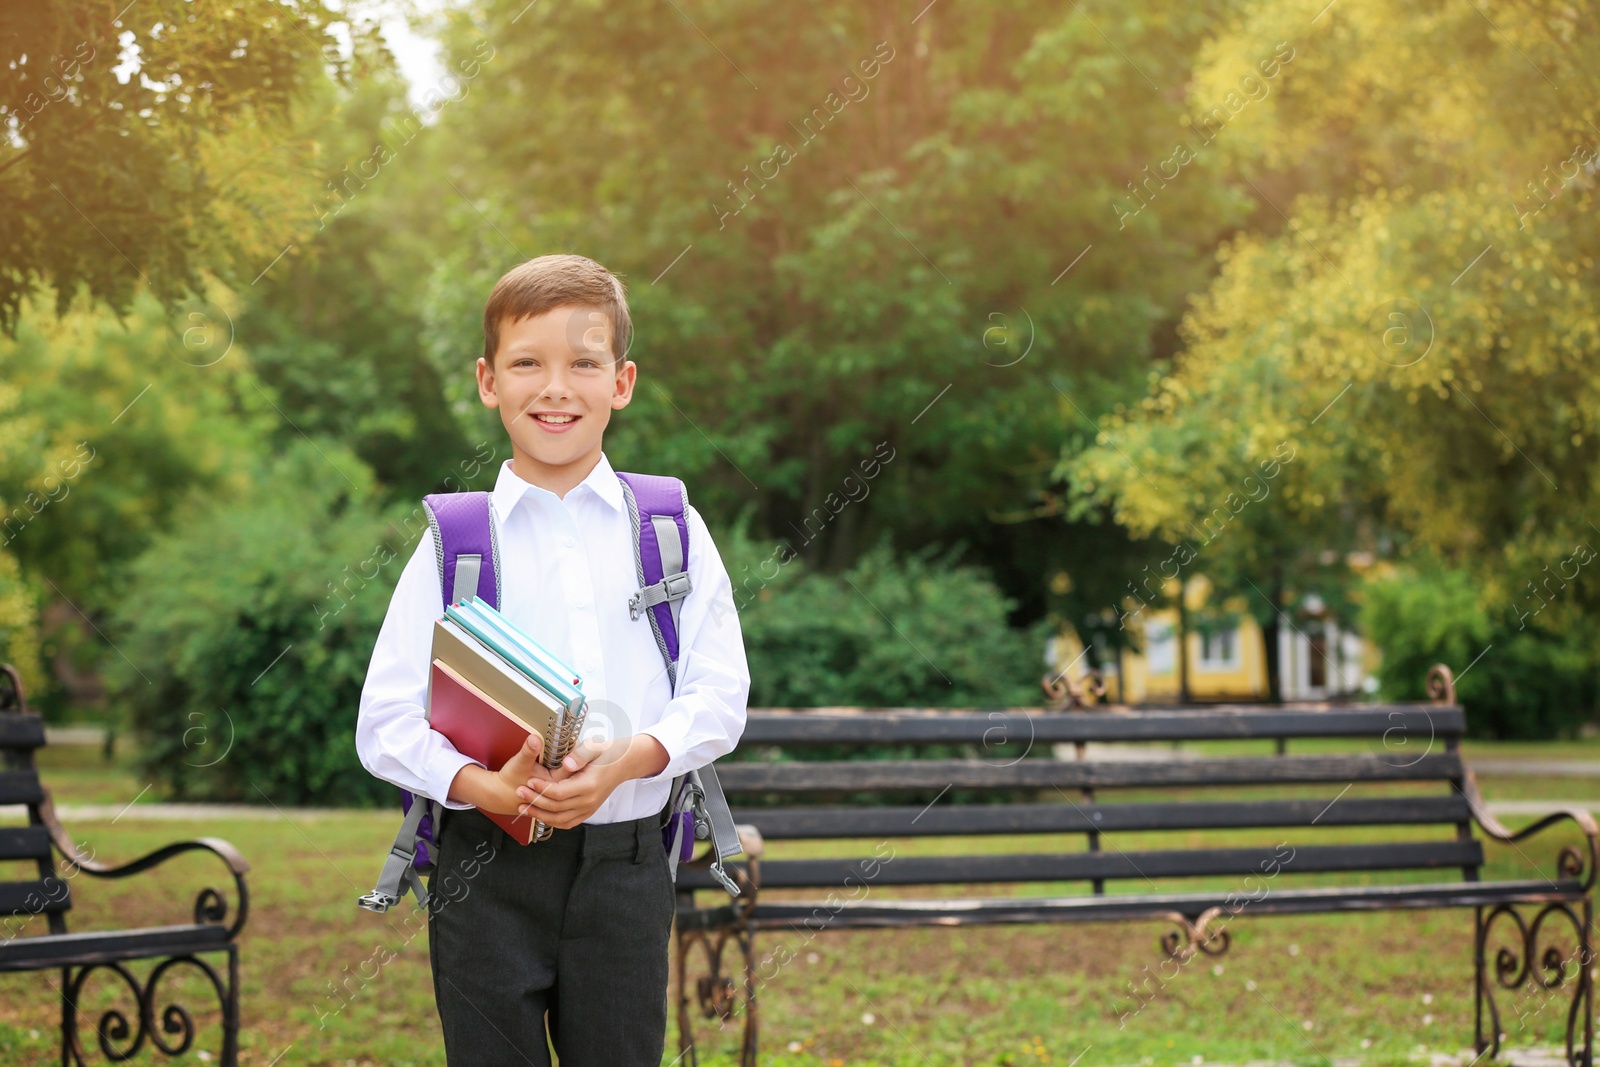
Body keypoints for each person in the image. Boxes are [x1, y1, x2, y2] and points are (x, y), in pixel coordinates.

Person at [354, 253, 751, 1066]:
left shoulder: (671, 527)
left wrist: (630, 760)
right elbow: (385, 721)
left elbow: (719, 694)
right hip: (486, 873)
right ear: (488, 380)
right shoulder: (456, 543)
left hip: (628, 866)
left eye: (584, 362)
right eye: (527, 362)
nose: (556, 387)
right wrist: (482, 786)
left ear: (623, 380)